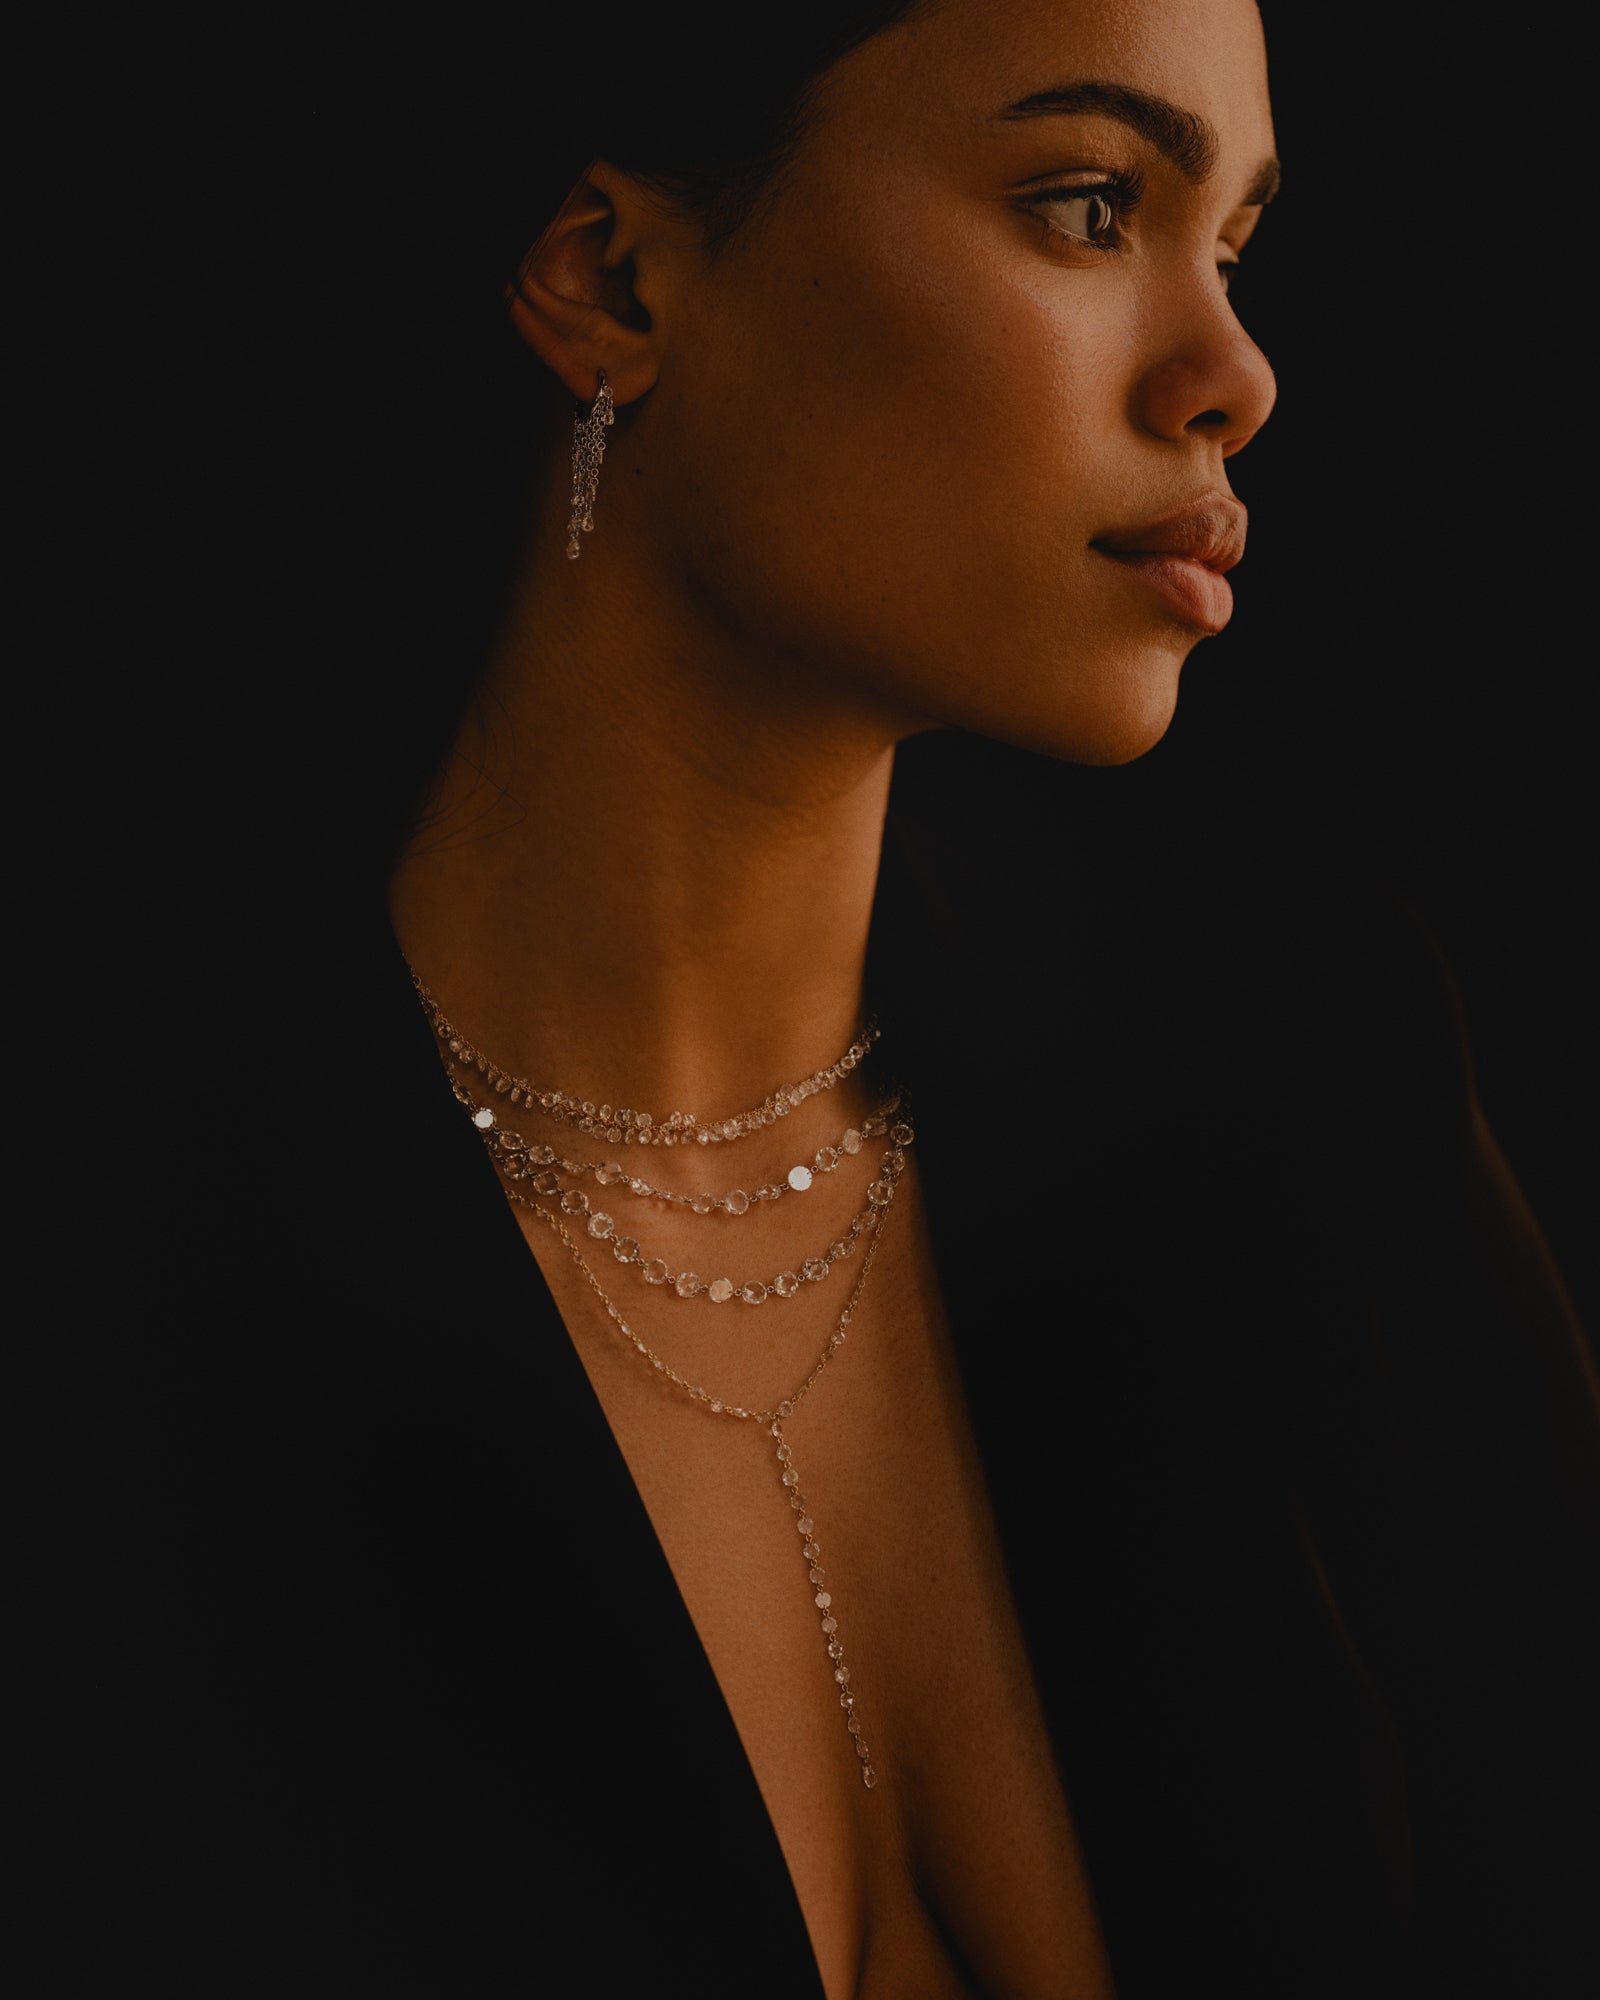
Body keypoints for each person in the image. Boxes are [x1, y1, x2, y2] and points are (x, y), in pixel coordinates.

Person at [10, 3, 1597, 1995]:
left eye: (1233, 244)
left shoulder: (1299, 1077)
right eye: (1086, 205)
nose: (1230, 375)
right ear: (608, 279)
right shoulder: (122, 1259)